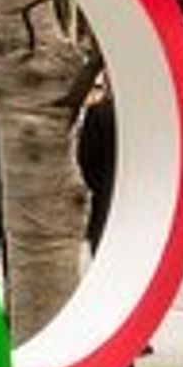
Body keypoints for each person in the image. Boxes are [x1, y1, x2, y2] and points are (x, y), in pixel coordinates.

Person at [74, 74, 118, 251]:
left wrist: (96, 184)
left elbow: (85, 157)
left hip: (104, 193)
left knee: (103, 246)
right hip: (137, 193)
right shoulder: (140, 115)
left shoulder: (98, 112)